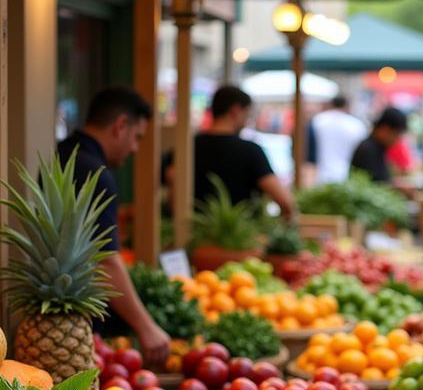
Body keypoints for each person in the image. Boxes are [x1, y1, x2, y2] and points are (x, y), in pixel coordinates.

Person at [57, 86, 170, 366]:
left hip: (57, 322)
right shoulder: (96, 172)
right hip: (81, 330)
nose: (134, 149)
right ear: (121, 125)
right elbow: (105, 262)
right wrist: (147, 327)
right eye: (137, 137)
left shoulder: (60, 154)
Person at [192, 86, 294, 215]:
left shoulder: (188, 147)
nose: (247, 121)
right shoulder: (250, 151)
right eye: (247, 114)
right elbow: (285, 201)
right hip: (244, 233)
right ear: (236, 110)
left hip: (193, 232)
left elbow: (171, 179)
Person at [309, 95, 368, 184]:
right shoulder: (356, 125)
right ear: (347, 106)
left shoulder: (318, 121)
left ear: (331, 105)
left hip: (320, 175)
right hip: (346, 175)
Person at [350, 107, 409, 185]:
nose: (397, 140)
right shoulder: (368, 150)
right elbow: (374, 184)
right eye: (396, 135)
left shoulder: (377, 148)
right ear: (384, 129)